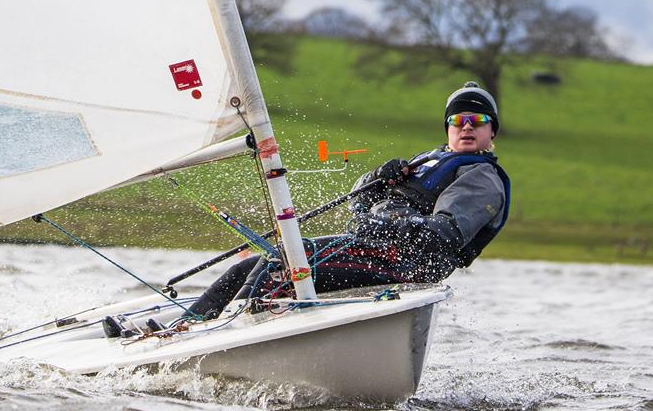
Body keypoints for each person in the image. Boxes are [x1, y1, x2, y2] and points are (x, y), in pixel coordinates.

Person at [186, 81, 511, 319]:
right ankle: (189, 323)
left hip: (405, 264)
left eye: (478, 121)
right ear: (448, 127)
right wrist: (377, 178)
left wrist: (386, 220)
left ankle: (234, 322)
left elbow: (443, 233)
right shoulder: (430, 160)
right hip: (374, 250)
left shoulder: (480, 176)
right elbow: (359, 198)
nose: (467, 127)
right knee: (255, 263)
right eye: (458, 120)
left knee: (284, 262)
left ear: (491, 131)